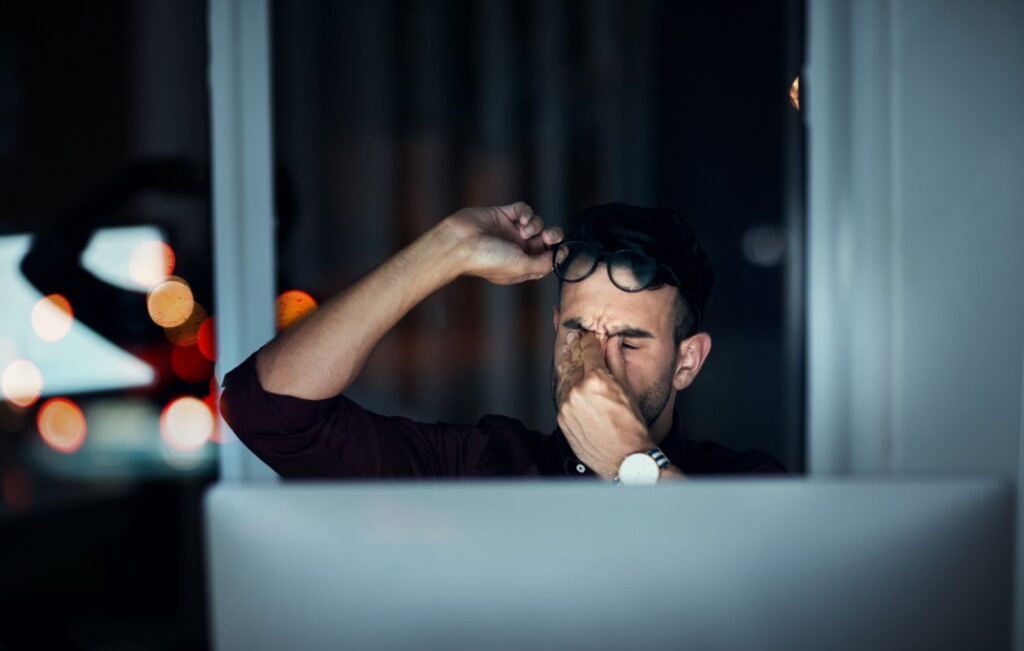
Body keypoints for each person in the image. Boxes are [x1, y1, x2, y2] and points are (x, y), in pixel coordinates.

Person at [220, 202, 785, 483]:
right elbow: (266, 410)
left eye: (631, 342)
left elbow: (781, 614)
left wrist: (631, 463)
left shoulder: (745, 486)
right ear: (553, 329)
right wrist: (448, 248)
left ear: (687, 361)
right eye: (579, 331)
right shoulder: (487, 465)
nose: (598, 367)